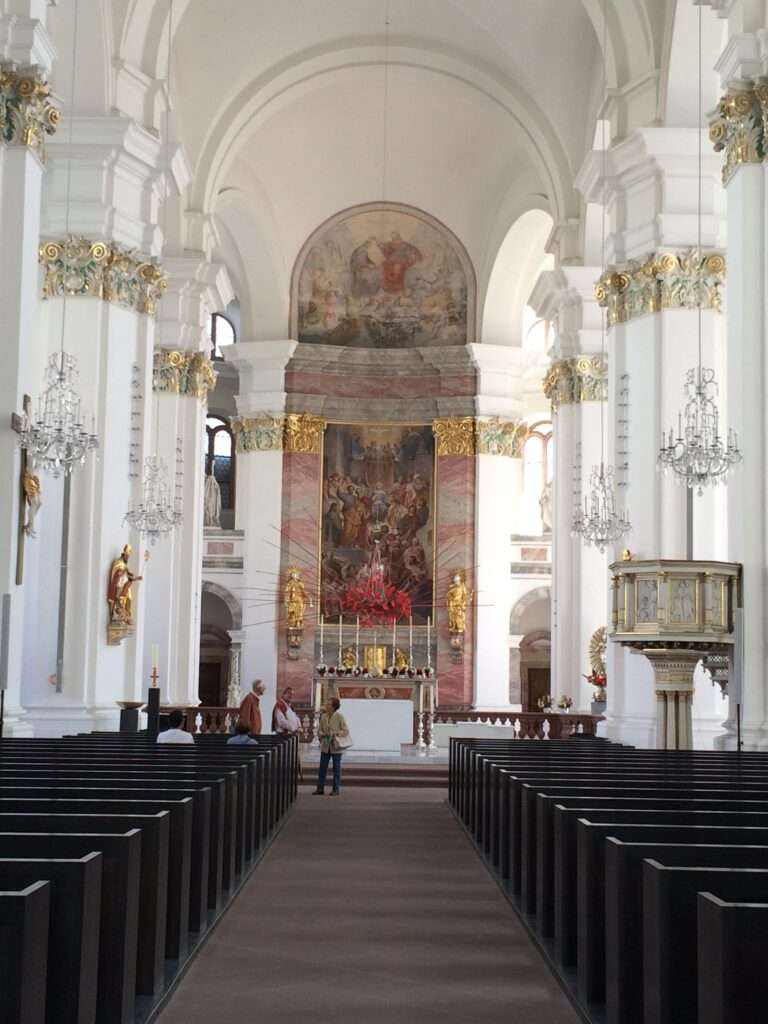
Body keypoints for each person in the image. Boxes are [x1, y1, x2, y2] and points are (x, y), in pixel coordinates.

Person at [313, 697, 350, 795]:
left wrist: (335, 733)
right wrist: (321, 734)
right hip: (325, 745)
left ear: (333, 706)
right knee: (322, 768)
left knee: (336, 768)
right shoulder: (323, 716)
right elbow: (319, 730)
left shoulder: (339, 717)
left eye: (328, 704)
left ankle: (335, 789)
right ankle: (320, 788)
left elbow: (345, 731)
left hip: (335, 746)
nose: (326, 705)